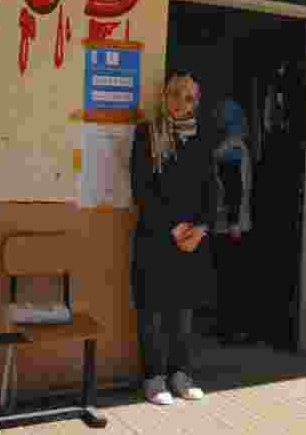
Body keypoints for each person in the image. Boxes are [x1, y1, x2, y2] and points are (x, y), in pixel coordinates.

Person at [130, 73, 217, 406]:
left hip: (192, 240)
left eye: (188, 97)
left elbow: (212, 188)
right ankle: (153, 378)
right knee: (151, 310)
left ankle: (180, 375)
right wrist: (172, 228)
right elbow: (142, 187)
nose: (180, 102)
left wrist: (202, 228)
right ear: (164, 95)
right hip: (155, 236)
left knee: (183, 311)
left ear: (196, 103)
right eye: (174, 94)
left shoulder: (202, 136)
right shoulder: (147, 134)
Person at [210, 99, 254, 345]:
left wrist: (233, 221)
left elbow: (233, 188)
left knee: (229, 279)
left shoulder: (229, 148)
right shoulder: (236, 146)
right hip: (234, 224)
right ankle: (232, 328)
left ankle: (230, 328)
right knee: (233, 278)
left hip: (229, 225)